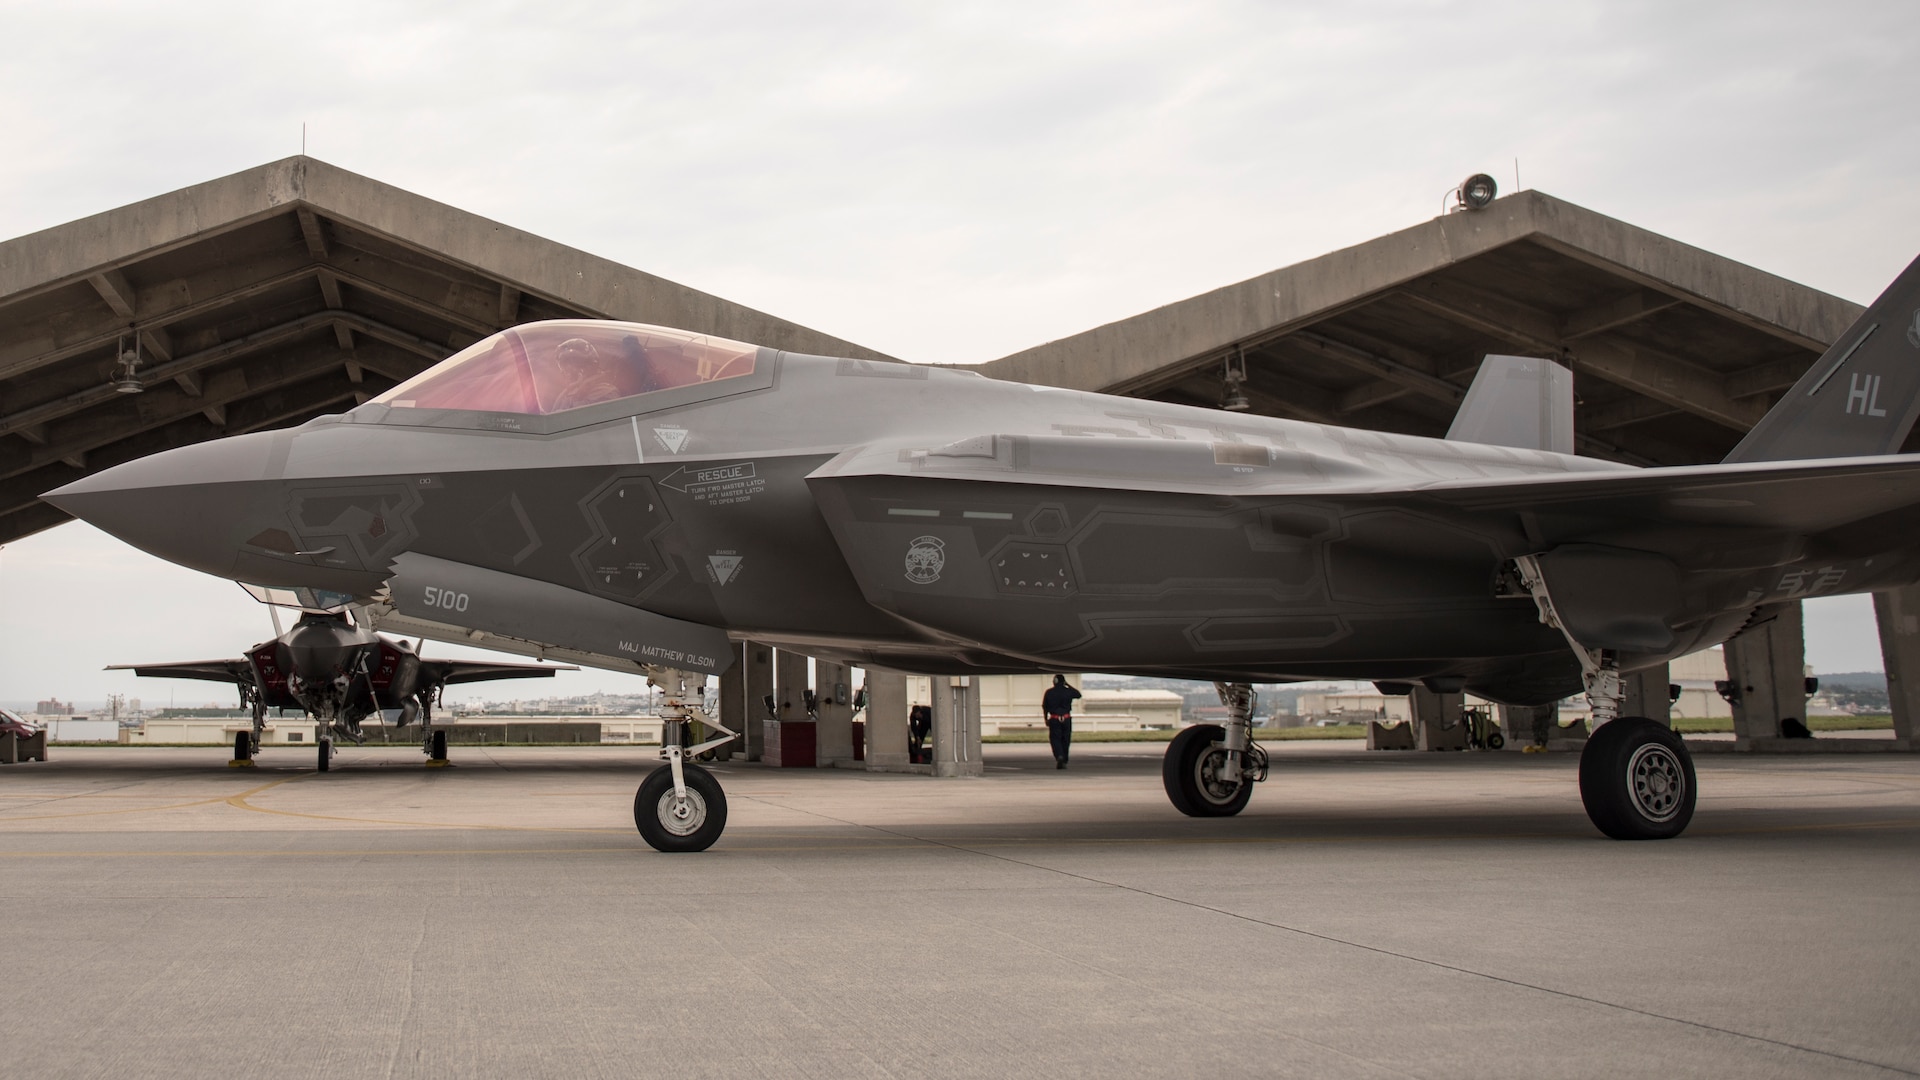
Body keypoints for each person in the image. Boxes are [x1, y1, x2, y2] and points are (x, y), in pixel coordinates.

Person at [1041, 674, 1081, 769]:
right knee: (1065, 740)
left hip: (1054, 718)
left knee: (1055, 739)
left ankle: (1059, 756)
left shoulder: (1049, 692)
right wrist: (1067, 685)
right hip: (1066, 718)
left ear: (1054, 682)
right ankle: (1064, 759)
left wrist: (1046, 718)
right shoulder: (1068, 691)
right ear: (1063, 681)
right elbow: (1078, 694)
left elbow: (1045, 707)